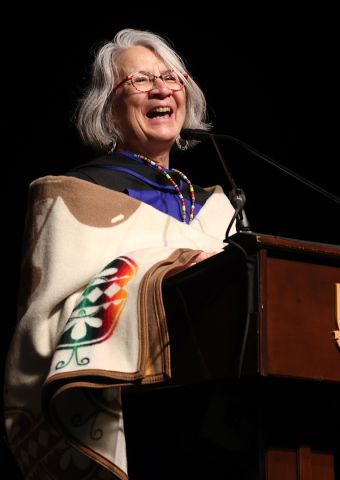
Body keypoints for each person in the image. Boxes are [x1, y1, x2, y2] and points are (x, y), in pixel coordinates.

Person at [3, 28, 237, 480]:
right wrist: (168, 270)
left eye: (171, 78)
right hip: (134, 412)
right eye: (140, 81)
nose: (161, 89)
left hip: (214, 414)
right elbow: (49, 320)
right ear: (106, 107)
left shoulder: (217, 206)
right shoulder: (74, 197)